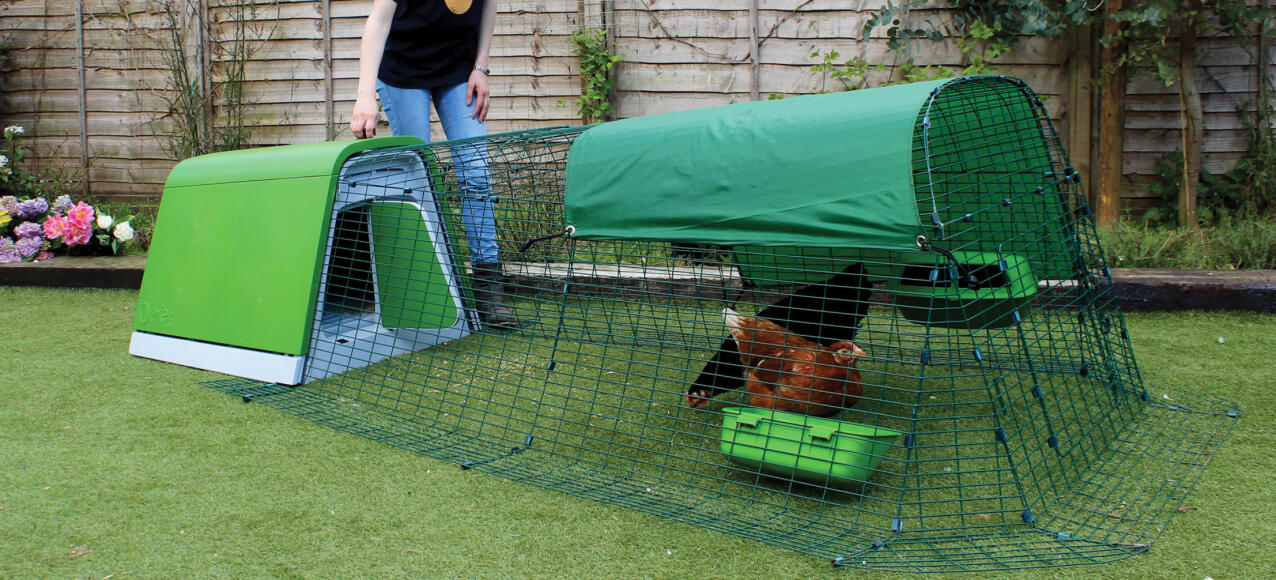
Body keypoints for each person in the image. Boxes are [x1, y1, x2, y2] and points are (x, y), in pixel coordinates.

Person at [350, 0, 516, 327]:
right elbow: (378, 20)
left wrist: (481, 68)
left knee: (477, 174)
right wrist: (364, 94)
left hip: (459, 69)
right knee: (418, 177)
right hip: (402, 72)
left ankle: (488, 285)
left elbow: (488, 4)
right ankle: (424, 284)